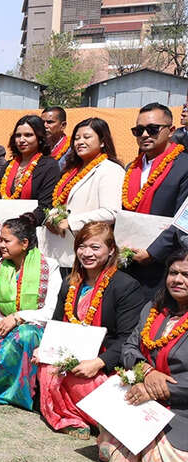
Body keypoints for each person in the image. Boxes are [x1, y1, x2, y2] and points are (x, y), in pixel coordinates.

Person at [39, 222, 142, 438]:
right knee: (48, 367)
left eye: (95, 248)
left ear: (111, 250)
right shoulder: (70, 283)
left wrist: (98, 362)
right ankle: (71, 417)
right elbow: (58, 323)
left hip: (104, 363)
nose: (87, 253)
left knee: (86, 383)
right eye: (81, 246)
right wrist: (44, 349)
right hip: (69, 356)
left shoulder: (125, 286)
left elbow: (128, 338)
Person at [97, 249, 188, 462]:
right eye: (173, 273)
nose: (178, 280)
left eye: (186, 275)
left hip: (181, 408)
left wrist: (157, 390)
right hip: (141, 393)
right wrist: (146, 373)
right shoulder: (154, 308)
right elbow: (129, 347)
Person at [0, 216, 62, 409]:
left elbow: (49, 311)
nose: (1, 244)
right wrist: (2, 322)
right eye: (1, 239)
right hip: (0, 327)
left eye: (7, 240)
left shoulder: (49, 266)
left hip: (35, 327)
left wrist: (18, 317)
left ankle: (19, 394)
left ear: (24, 243)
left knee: (24, 335)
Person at [123, 103, 188, 302]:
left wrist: (152, 252)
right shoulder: (131, 168)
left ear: (171, 131)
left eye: (152, 129)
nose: (144, 135)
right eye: (138, 130)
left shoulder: (184, 166)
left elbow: (183, 219)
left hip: (165, 263)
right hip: (128, 259)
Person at [40, 118, 124, 271]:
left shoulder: (110, 169)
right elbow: (61, 202)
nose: (79, 142)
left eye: (87, 137)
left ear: (103, 141)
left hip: (87, 252)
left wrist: (71, 222)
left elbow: (112, 212)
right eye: (77, 138)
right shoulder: (71, 170)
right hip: (58, 250)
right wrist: (51, 218)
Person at [0, 115, 60, 226]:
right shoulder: (8, 166)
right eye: (18, 135)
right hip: (3, 233)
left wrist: (22, 226)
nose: (22, 140)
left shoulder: (49, 166)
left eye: (28, 135)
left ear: (39, 137)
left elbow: (46, 205)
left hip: (32, 232)